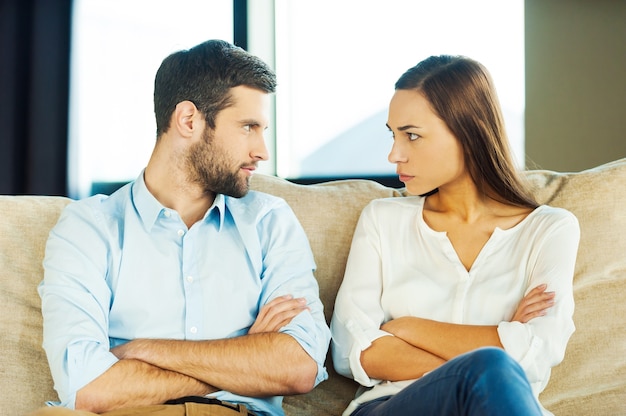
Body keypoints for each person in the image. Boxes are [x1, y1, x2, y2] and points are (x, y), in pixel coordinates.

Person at [34, 39, 330, 416]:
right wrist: (243, 357)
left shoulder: (270, 221)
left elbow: (298, 367)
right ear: (189, 120)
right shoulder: (89, 229)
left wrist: (143, 350)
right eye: (248, 127)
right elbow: (89, 390)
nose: (262, 151)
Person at [330, 55, 580, 416]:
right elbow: (353, 349)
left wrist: (406, 327)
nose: (394, 154)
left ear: (468, 132)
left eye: (412, 135)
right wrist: (495, 346)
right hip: (393, 406)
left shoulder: (551, 229)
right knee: (494, 369)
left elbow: (539, 353)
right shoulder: (383, 221)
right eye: (394, 134)